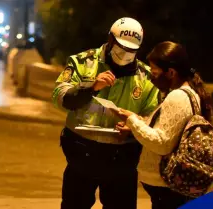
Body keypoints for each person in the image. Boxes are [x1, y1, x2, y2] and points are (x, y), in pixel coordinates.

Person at [52, 17, 160, 209]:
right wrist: (90, 87)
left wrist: (135, 124)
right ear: (110, 39)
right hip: (81, 154)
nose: (125, 53)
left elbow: (154, 115)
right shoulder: (82, 62)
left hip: (122, 159)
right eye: (121, 47)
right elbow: (60, 97)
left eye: (131, 50)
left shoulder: (146, 77)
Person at [112, 41, 213, 209]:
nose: (151, 76)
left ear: (171, 72)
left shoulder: (178, 97)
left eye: (154, 71)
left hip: (168, 189)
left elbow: (162, 143)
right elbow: (169, 130)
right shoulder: (188, 93)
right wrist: (136, 126)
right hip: (169, 190)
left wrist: (131, 119)